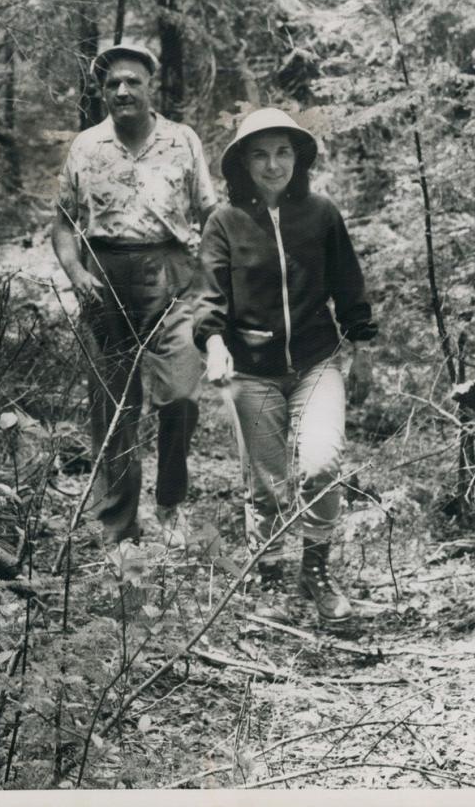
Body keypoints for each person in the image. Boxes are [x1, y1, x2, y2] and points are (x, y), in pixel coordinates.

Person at [194, 108, 377, 625]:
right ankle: (268, 569)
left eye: (283, 152)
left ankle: (315, 568)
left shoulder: (321, 213)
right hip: (250, 370)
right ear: (241, 164)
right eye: (260, 154)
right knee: (268, 481)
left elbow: (350, 286)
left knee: (320, 464)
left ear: (298, 158)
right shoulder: (224, 222)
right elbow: (208, 297)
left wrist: (361, 349)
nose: (273, 165)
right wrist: (214, 344)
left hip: (318, 362)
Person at [53, 41, 217, 548]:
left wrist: (205, 274)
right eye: (112, 84)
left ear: (151, 87)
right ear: (102, 92)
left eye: (132, 81)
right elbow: (62, 224)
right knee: (112, 406)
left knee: (182, 396)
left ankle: (170, 504)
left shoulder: (181, 140)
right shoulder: (86, 146)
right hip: (105, 275)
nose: (122, 90)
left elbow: (210, 214)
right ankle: (119, 528)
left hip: (172, 272)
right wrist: (77, 271)